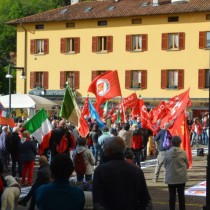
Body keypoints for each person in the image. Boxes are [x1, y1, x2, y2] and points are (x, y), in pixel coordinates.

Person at [92, 136, 152, 210]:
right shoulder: (136, 170)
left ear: (109, 151)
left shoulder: (100, 171)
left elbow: (98, 202)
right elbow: (146, 201)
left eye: (104, 149)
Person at [164, 136, 188, 210]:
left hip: (171, 177)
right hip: (181, 177)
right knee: (181, 196)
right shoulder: (183, 152)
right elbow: (186, 164)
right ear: (179, 143)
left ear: (172, 143)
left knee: (172, 196)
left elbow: (165, 164)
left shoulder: (167, 153)